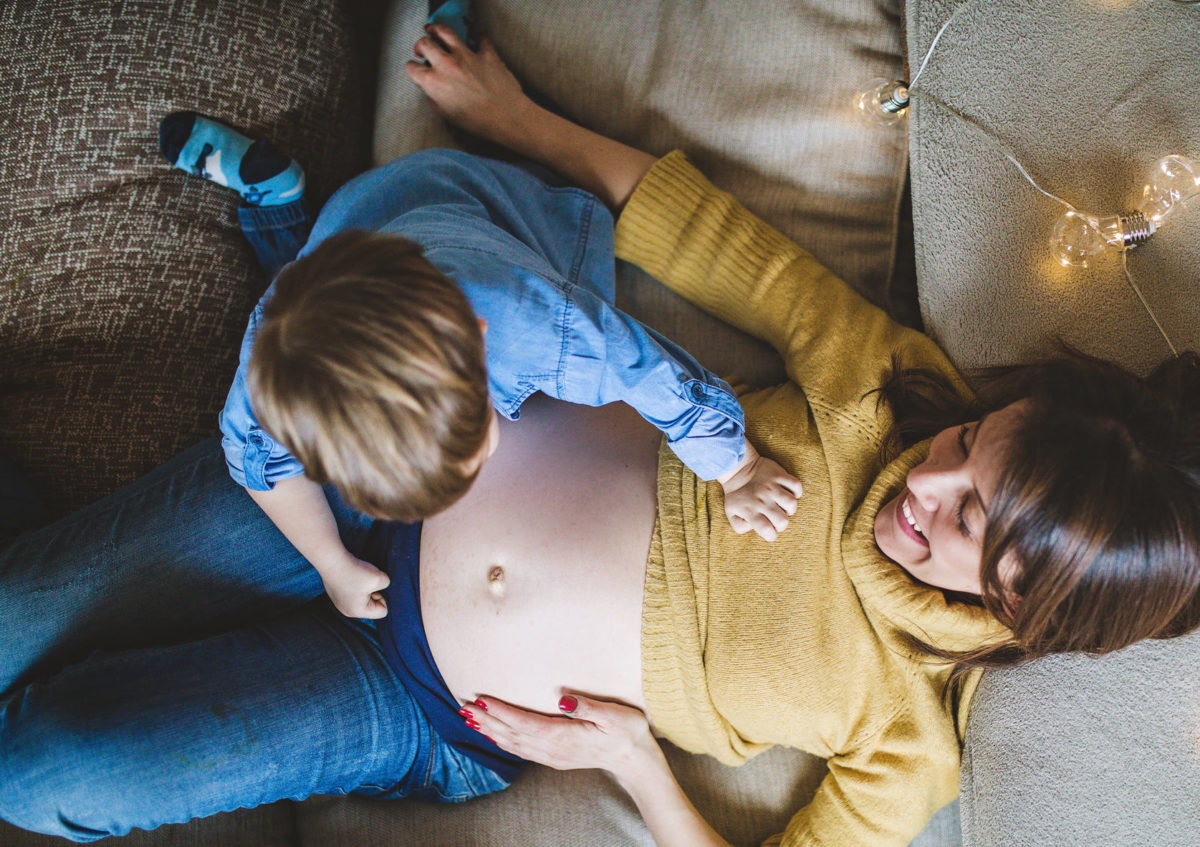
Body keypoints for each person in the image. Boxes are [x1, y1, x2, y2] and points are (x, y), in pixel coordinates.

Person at [2, 19, 1199, 847]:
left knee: (46, 770)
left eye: (967, 521)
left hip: (419, 700)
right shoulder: (886, 390)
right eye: (966, 444)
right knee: (18, 611)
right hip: (372, 459)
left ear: (1027, 604)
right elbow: (723, 245)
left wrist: (633, 760)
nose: (923, 482)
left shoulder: (905, 739)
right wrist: (518, 119)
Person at [158, 110, 801, 621]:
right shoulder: (267, 381)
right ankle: (276, 201)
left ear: (478, 335)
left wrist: (736, 467)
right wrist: (329, 562)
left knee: (314, 274)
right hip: (357, 217)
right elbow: (261, 467)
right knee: (303, 284)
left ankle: (278, 207)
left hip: (478, 199)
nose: (480, 467)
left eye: (472, 448)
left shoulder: (538, 323)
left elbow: (651, 373)